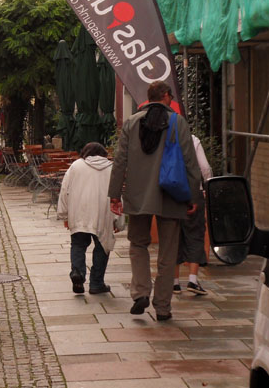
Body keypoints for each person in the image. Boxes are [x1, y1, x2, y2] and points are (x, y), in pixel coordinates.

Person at [108, 80, 202, 321]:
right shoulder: (177, 122)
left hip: (138, 195)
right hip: (171, 193)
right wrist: (194, 195)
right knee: (168, 252)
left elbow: (120, 161)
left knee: (138, 244)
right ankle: (162, 306)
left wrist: (114, 194)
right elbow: (190, 161)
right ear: (167, 96)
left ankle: (140, 292)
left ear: (149, 98)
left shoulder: (131, 123)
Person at [57, 142, 119, 295]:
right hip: (103, 213)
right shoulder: (111, 168)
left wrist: (64, 214)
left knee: (78, 244)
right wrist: (118, 220)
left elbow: (65, 189)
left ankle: (78, 273)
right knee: (102, 247)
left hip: (79, 211)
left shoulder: (76, 166)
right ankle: (96, 283)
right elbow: (117, 194)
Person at [174, 135, 212, 295]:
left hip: (170, 193)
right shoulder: (192, 139)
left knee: (173, 236)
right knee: (195, 234)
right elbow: (204, 167)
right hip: (192, 192)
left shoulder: (162, 137)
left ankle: (174, 283)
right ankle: (192, 280)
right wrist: (207, 184)